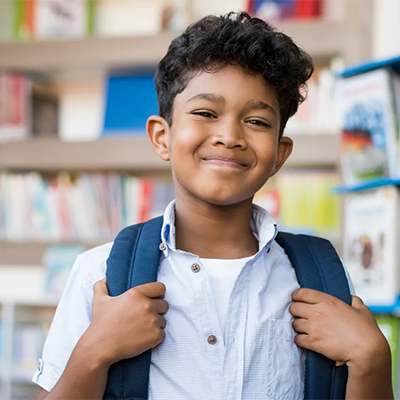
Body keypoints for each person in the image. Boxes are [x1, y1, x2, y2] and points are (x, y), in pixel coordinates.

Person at [33, 12, 393, 400]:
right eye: (205, 113)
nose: (229, 136)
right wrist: (93, 352)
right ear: (161, 137)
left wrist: (372, 358)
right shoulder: (100, 276)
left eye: (256, 121)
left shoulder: (320, 280)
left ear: (279, 155)